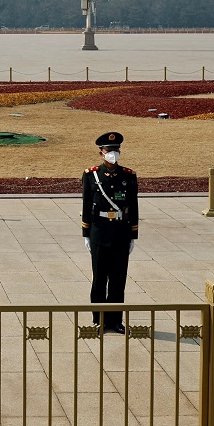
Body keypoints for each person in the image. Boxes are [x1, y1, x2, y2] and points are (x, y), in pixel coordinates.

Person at [81, 131, 138, 334]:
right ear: (101, 153)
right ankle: (99, 319)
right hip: (99, 232)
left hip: (120, 233)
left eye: (116, 150)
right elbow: (87, 204)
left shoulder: (128, 176)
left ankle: (115, 320)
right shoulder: (91, 175)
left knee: (118, 279)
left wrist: (133, 235)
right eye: (109, 150)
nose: (113, 153)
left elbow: (133, 206)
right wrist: (86, 233)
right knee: (99, 279)